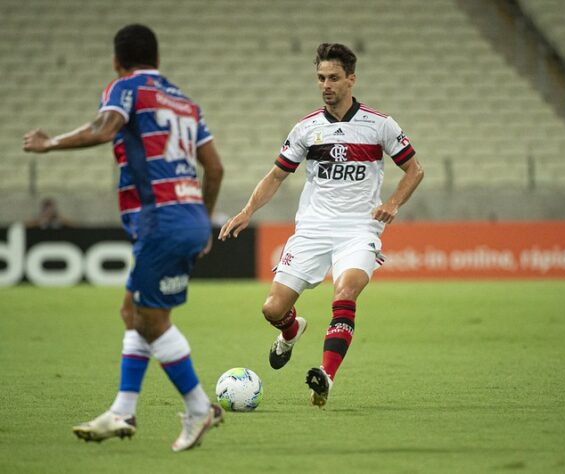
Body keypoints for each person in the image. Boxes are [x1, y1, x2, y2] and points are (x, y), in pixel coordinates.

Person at [22, 24, 225, 451]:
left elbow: (103, 128)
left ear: (118, 60)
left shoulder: (125, 88)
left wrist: (51, 144)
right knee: (132, 310)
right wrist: (202, 221)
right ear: (157, 58)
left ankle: (199, 407)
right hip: (187, 215)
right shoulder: (186, 102)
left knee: (153, 322)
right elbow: (216, 168)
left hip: (160, 218)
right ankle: (123, 410)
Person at [219, 43, 424, 407]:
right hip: (313, 229)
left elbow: (415, 169)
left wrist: (393, 203)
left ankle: (325, 376)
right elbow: (276, 176)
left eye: (333, 78)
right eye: (320, 78)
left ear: (351, 79)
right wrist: (248, 209)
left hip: (360, 229)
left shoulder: (379, 125)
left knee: (345, 294)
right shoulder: (306, 129)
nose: (326, 85)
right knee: (272, 310)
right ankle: (291, 330)